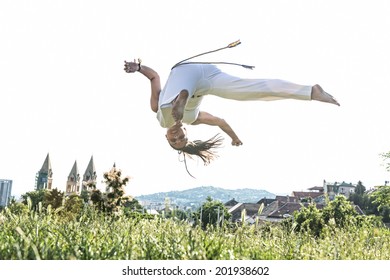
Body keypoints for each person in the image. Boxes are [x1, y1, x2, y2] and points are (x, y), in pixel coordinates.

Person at [124, 53, 340, 166]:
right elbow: (221, 122)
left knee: (166, 109)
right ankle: (310, 92)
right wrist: (235, 139)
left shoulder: (158, 114)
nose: (177, 136)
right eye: (181, 139)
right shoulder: (195, 119)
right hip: (207, 77)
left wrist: (139, 68)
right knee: (247, 92)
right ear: (186, 133)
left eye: (174, 140)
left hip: (184, 72)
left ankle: (178, 101)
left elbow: (155, 77)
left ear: (167, 138)